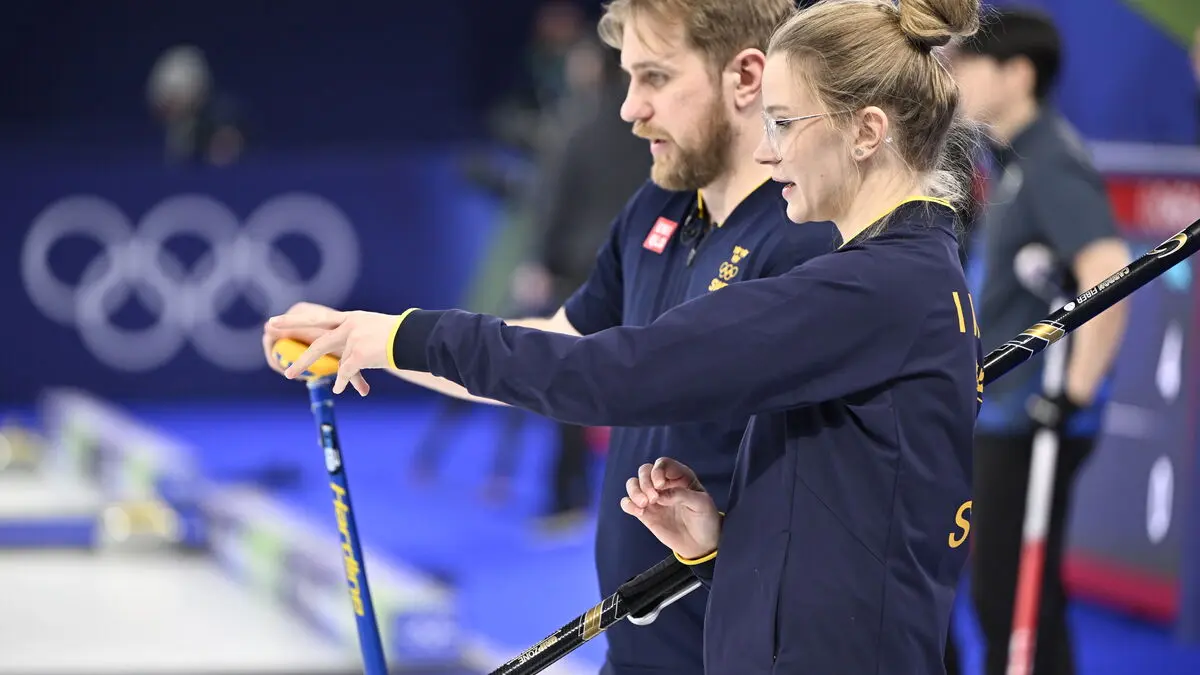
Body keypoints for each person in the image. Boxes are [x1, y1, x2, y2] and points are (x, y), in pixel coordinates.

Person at [270, 0, 989, 671]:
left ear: (866, 131)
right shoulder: (878, 274)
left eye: (784, 123)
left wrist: (407, 337)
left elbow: (617, 373)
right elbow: (834, 509)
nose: (772, 157)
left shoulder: (865, 283)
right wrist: (721, 544)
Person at [945, 9, 1132, 675]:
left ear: (1018, 74)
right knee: (1005, 590)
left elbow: (1109, 270)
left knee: (1010, 594)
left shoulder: (1050, 156)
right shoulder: (1011, 156)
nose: (955, 76)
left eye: (969, 63)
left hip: (1029, 416)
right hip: (998, 409)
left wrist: (1071, 395)